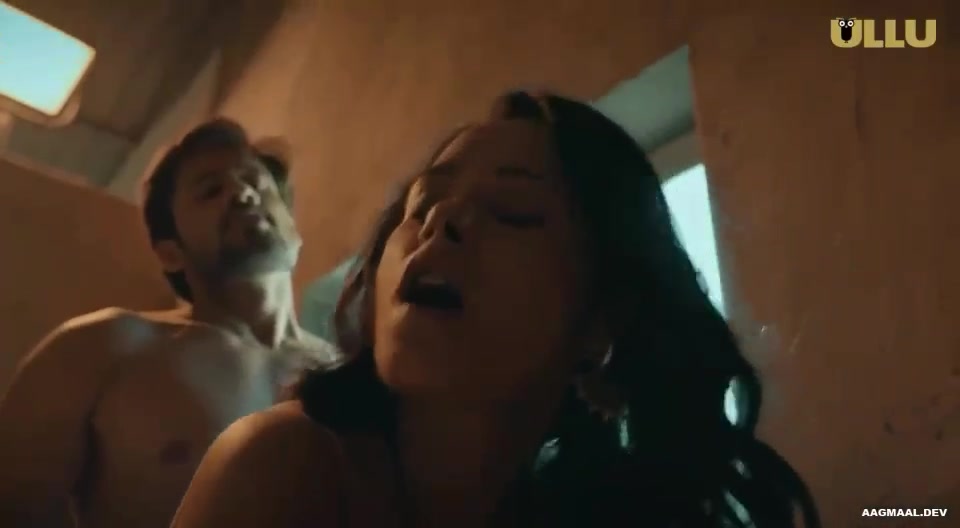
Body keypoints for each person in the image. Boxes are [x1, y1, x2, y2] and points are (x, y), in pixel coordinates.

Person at [171, 92, 821, 527]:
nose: (442, 222)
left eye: (514, 213)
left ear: (602, 322)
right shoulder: (284, 467)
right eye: (422, 204)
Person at [0, 118, 336, 528]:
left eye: (255, 181)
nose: (242, 193)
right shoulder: (104, 347)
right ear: (170, 253)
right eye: (210, 190)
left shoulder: (350, 371)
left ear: (293, 227)